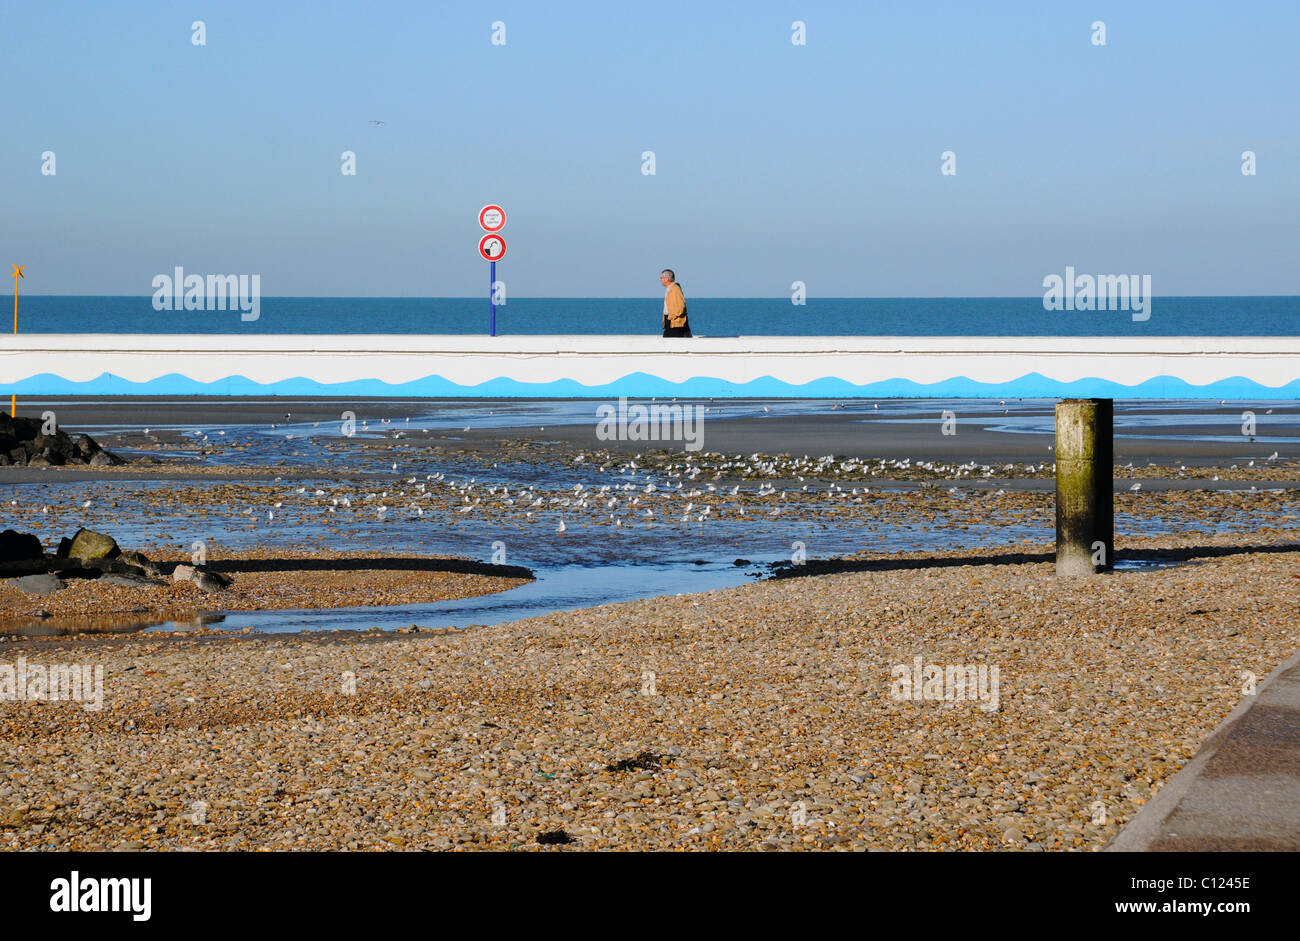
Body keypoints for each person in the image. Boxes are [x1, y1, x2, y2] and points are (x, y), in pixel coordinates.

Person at [660, 269, 691, 337]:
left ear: (667, 279)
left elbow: (680, 306)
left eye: (661, 278)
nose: (660, 280)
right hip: (671, 321)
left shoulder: (675, 289)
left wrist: (671, 317)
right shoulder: (670, 289)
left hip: (675, 323)